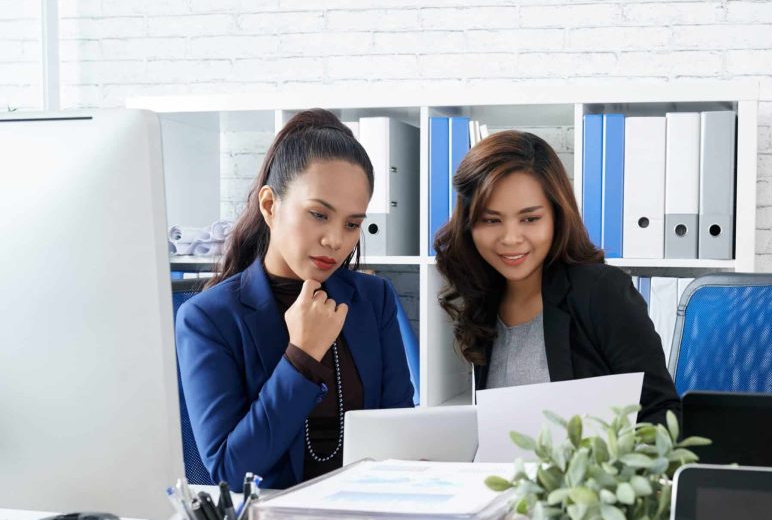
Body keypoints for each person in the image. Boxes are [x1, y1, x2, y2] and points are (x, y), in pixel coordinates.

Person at [176, 109, 414, 489]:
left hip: (369, 516)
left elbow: (401, 431)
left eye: (352, 224)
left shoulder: (373, 299)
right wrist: (301, 356)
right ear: (270, 205)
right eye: (319, 214)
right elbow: (230, 472)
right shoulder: (208, 318)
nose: (336, 240)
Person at [433, 130, 680, 425]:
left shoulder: (602, 293)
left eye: (530, 219)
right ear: (469, 225)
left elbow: (661, 415)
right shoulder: (483, 298)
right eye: (491, 220)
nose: (511, 238)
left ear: (556, 216)